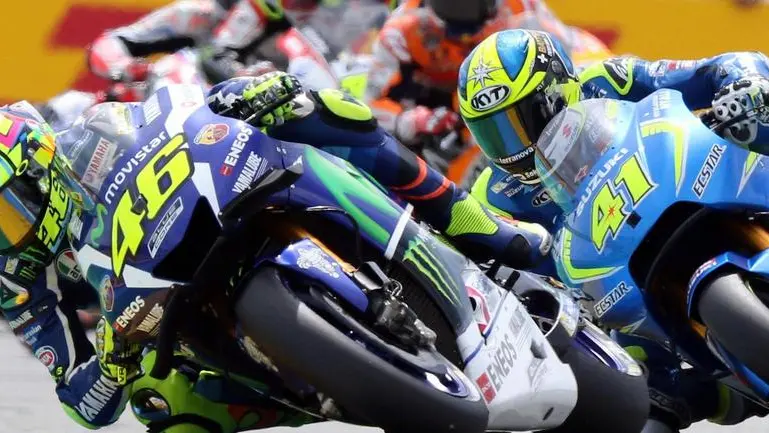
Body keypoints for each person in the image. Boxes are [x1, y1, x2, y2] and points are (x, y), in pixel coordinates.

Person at [0, 70, 549, 431]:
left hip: (199, 204)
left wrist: (237, 93)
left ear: (37, 162)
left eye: (8, 211)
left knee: (305, 109)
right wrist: (106, 370)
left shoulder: (87, 133)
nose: (8, 234)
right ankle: (312, 389)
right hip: (165, 317)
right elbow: (83, 403)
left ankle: (470, 220)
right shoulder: (15, 279)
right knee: (155, 402)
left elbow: (173, 105)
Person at [456, 28, 769, 432]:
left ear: (557, 90)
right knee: (644, 385)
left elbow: (708, 70)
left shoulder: (608, 80)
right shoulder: (493, 195)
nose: (511, 145)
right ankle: (725, 392)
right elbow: (499, 268)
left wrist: (745, 84)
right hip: (619, 284)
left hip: (690, 186)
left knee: (754, 121)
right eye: (492, 132)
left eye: (519, 121)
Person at [364, 0, 610, 147]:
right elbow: (370, 104)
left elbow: (571, 51)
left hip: (517, 104)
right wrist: (411, 120)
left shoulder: (520, 7)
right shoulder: (399, 32)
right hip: (451, 126)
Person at [87, 0, 397, 87]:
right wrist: (129, 70)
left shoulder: (340, 23)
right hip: (182, 103)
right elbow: (108, 45)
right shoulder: (201, 13)